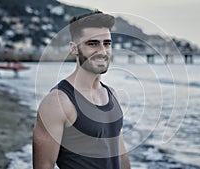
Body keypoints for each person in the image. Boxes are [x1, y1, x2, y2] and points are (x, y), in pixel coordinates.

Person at [33, 11, 131, 169]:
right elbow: (43, 166)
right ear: (74, 48)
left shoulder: (112, 94)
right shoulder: (57, 103)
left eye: (107, 43)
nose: (102, 51)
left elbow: (121, 155)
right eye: (92, 44)